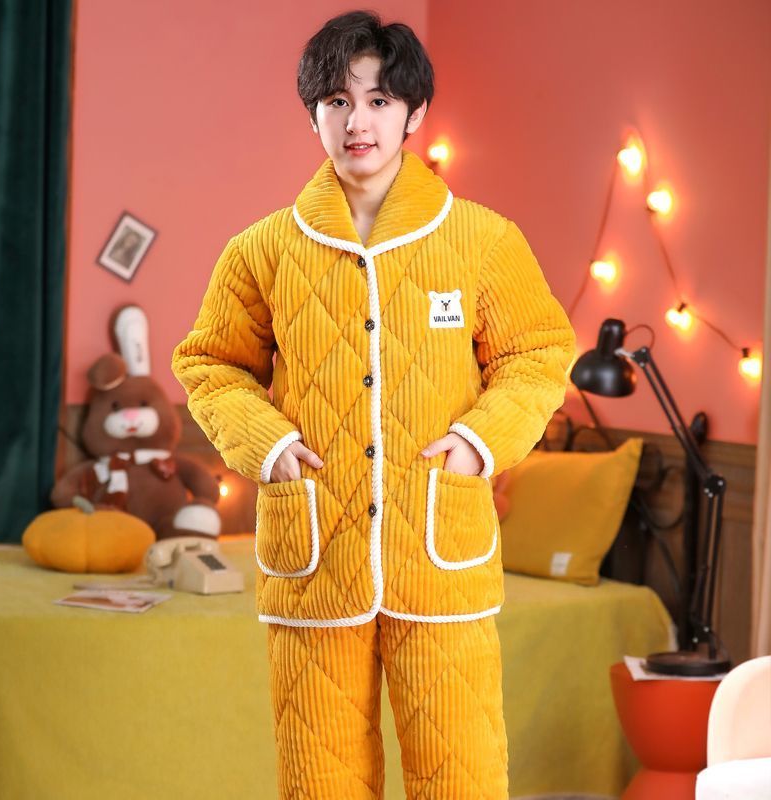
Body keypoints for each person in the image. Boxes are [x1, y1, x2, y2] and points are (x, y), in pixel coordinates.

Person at [171, 10, 576, 799]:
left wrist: (478, 443)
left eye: (380, 101)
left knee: (459, 777)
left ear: (414, 115)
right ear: (313, 114)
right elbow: (209, 363)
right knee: (320, 782)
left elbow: (537, 353)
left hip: (440, 552)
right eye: (338, 102)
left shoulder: (483, 240)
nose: (358, 122)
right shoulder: (261, 249)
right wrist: (269, 445)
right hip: (315, 555)